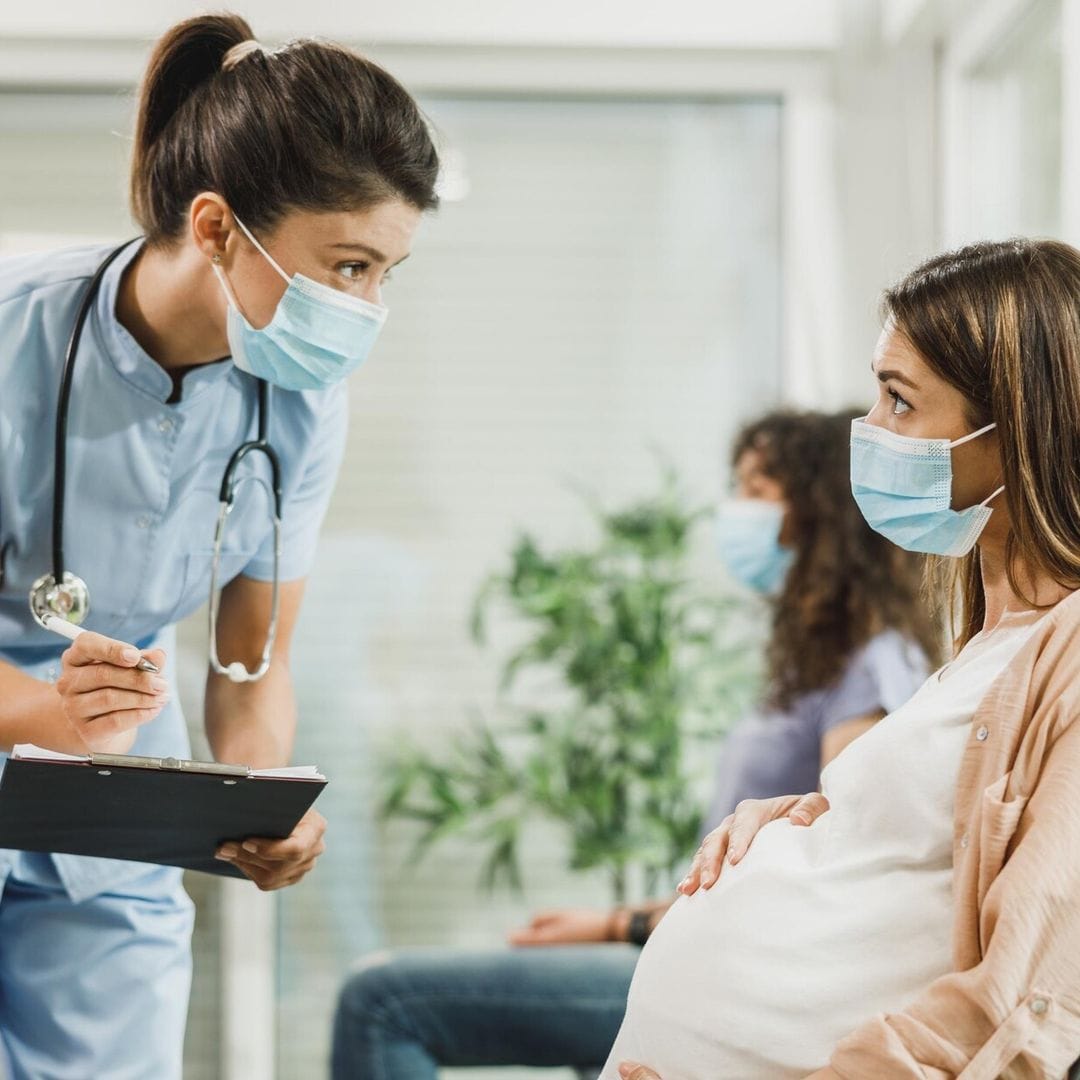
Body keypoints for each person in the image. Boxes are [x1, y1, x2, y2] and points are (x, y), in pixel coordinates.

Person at [0, 13, 438, 1079]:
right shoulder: (16, 336)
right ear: (216, 227)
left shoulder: (300, 401)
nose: (366, 307)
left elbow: (251, 668)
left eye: (386, 273)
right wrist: (52, 711)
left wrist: (261, 802)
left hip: (109, 815)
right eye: (347, 266)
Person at [330, 408, 940, 1079]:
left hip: (736, 976)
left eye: (757, 492)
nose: (734, 514)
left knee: (383, 1002)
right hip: (697, 949)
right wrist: (618, 920)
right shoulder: (820, 664)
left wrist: (624, 929)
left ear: (820, 511)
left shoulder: (873, 666)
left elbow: (830, 867)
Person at [606, 239, 1080, 1080]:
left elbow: (1027, 1008)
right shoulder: (989, 642)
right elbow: (938, 854)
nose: (869, 430)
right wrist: (817, 818)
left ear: (1018, 428)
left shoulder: (1071, 654)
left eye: (900, 402)